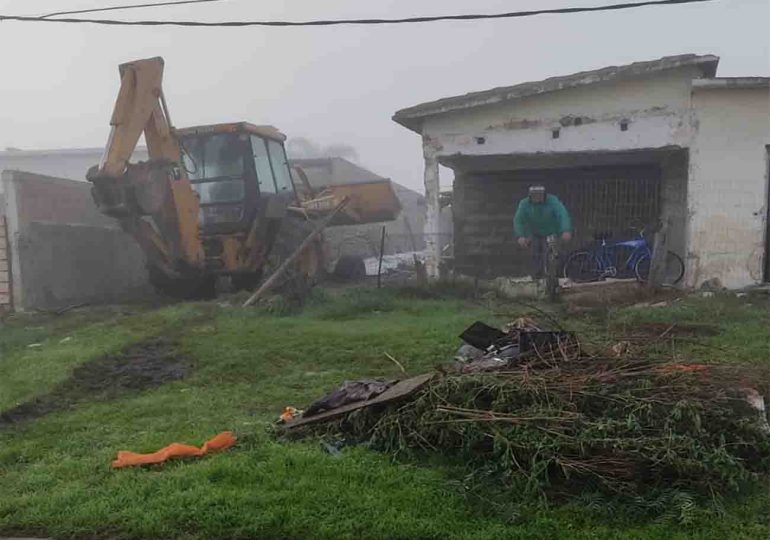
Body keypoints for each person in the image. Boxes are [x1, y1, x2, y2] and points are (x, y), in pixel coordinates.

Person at [513, 186, 573, 279]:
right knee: (535, 256)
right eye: (534, 195)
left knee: (551, 255)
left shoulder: (553, 201)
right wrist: (520, 236)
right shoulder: (524, 204)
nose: (537, 197)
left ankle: (553, 277)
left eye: (539, 195)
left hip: (551, 232)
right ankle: (536, 279)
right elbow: (518, 220)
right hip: (534, 233)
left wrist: (565, 229)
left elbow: (562, 214)